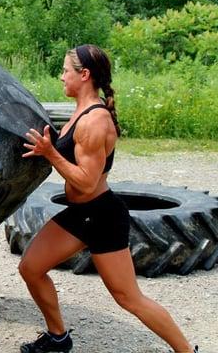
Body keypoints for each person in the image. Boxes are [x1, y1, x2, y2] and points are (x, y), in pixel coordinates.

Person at [18, 44, 197, 353]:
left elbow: (87, 183)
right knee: (31, 268)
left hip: (101, 216)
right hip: (79, 214)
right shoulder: (79, 112)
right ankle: (59, 338)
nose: (61, 77)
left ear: (84, 75)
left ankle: (187, 352)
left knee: (129, 298)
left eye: (65, 70)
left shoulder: (94, 121)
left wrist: (50, 154)